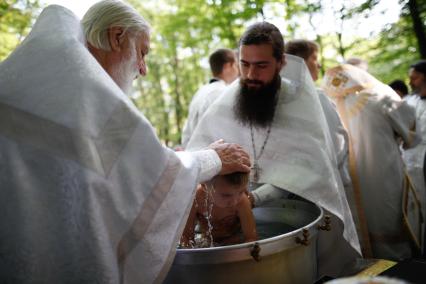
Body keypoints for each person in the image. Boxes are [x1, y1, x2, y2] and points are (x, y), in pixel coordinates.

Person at [0, 1, 251, 283]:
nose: (143, 69)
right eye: (142, 52)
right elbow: (149, 173)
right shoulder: (85, 90)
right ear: (117, 37)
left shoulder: (40, 77)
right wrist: (213, 158)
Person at [187, 22, 361, 279]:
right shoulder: (225, 104)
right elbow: (200, 160)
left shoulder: (311, 104)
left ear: (281, 63)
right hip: (232, 218)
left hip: (299, 215)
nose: (250, 75)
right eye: (244, 64)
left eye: (261, 66)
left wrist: (256, 198)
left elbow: (318, 167)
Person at [322, 64, 421, 260]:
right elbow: (412, 134)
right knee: (391, 229)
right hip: (384, 178)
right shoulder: (380, 94)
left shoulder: (323, 103)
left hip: (344, 184)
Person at [180, 171, 257, 247]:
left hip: (234, 241)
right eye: (226, 195)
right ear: (205, 186)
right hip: (206, 240)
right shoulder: (196, 199)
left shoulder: (242, 202)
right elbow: (186, 236)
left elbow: (251, 238)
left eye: (241, 192)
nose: (234, 201)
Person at [181, 48, 239, 147]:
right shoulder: (223, 93)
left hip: (193, 154)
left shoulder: (200, 92)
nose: (238, 71)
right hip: (211, 156)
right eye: (237, 66)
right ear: (228, 66)